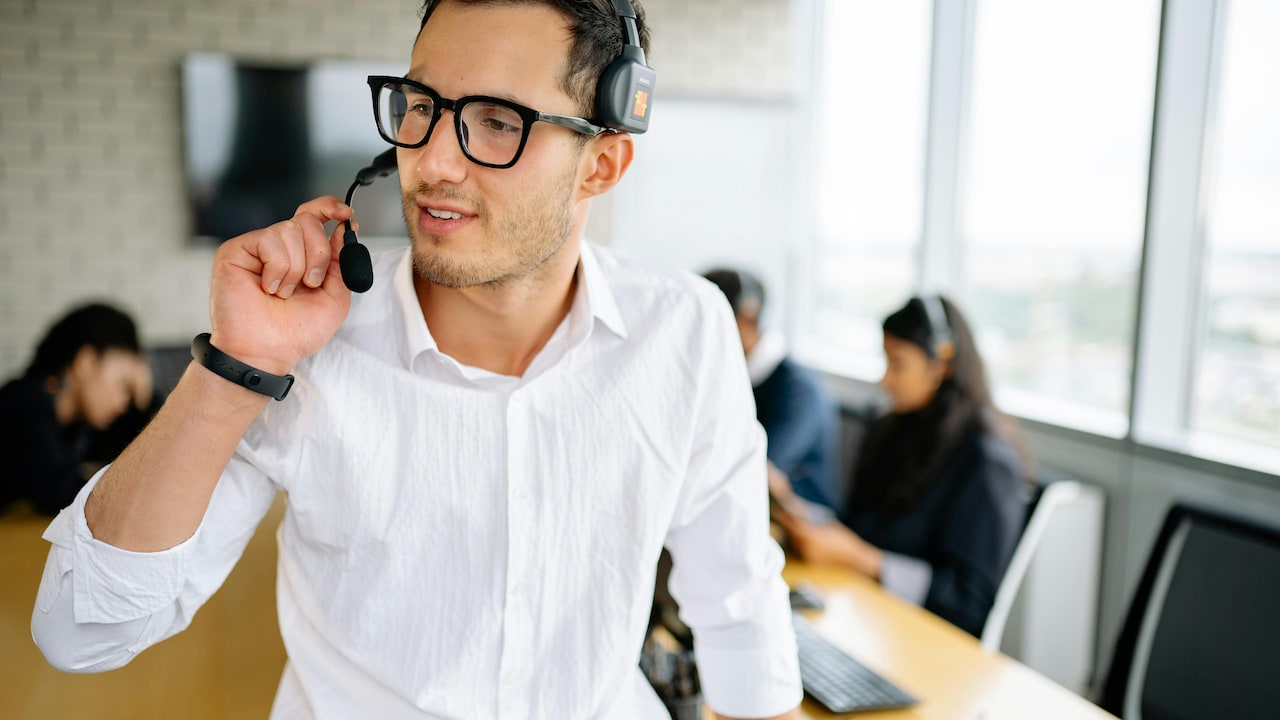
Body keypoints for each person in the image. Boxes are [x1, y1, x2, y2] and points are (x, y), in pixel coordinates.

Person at [30, 2, 802, 719]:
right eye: (422, 106)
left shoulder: (683, 329)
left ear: (600, 166)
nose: (431, 161)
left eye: (499, 121)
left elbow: (739, 607)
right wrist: (235, 366)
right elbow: (82, 632)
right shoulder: (311, 344)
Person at [774, 295, 1028, 637]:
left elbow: (969, 601)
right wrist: (799, 512)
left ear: (941, 364)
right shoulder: (889, 429)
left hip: (924, 637)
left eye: (898, 364)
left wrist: (862, 559)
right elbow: (860, 527)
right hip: (864, 616)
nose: (885, 380)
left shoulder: (987, 460)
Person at [703, 267, 840, 509]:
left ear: (746, 321)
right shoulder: (729, 372)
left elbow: (753, 469)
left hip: (802, 522)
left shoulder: (798, 391)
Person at [1, 302, 153, 516]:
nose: (123, 404)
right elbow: (62, 493)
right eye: (123, 386)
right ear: (86, 362)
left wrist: (143, 405)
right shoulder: (24, 405)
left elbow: (124, 459)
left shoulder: (74, 424)